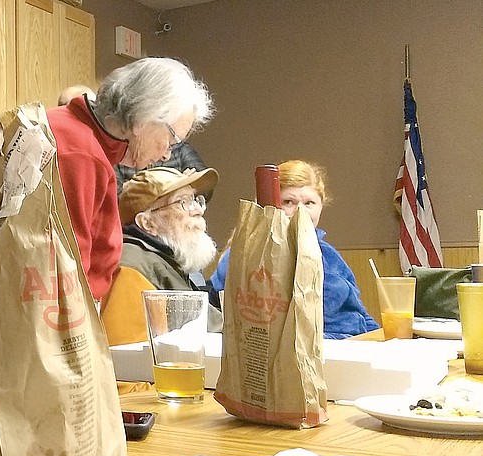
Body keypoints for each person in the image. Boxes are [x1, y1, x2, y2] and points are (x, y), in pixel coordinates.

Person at [48, 57, 214, 301]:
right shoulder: (80, 153)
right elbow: (67, 278)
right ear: (144, 119)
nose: (167, 152)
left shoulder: (82, 137)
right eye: (171, 140)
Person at [208, 159, 378, 339]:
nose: (300, 211)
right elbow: (218, 312)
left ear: (321, 206)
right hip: (307, 351)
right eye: (289, 202)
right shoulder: (246, 254)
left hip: (354, 346)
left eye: (309, 203)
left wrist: (387, 343)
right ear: (271, 205)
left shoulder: (330, 256)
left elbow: (359, 313)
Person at [100, 167, 224, 345]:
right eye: (183, 202)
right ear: (147, 223)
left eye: (196, 200)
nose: (198, 209)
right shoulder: (133, 266)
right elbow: (125, 355)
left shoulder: (164, 260)